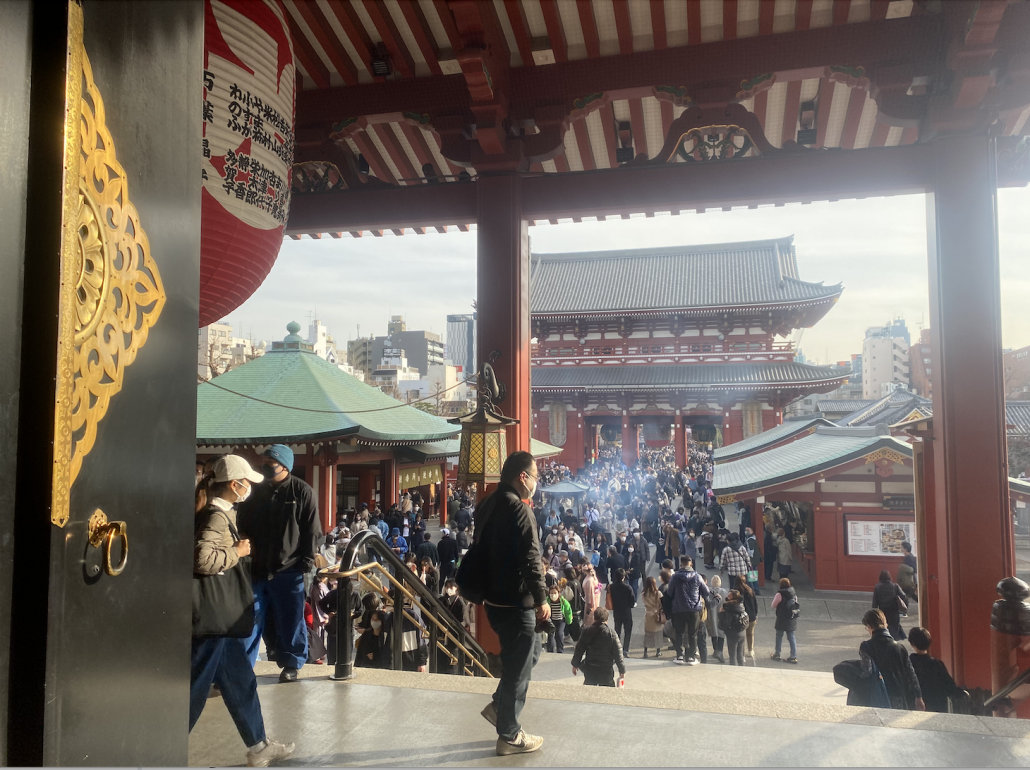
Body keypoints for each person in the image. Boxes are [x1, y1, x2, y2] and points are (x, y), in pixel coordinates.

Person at [191, 455, 295, 767]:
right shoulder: (216, 517)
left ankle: (259, 744)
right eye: (246, 482)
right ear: (234, 485)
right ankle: (159, 747)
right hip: (215, 619)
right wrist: (236, 552)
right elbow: (202, 559)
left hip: (220, 620)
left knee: (240, 682)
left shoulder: (214, 511)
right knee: (193, 690)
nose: (249, 487)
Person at [472, 452, 548, 756]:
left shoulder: (487, 504)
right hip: (517, 601)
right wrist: (541, 598)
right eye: (535, 476)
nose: (536, 482)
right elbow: (531, 559)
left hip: (493, 598)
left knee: (532, 651)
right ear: (522, 477)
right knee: (518, 668)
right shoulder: (519, 509)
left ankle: (498, 706)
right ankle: (510, 734)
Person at [237, 444, 322, 683]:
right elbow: (243, 523)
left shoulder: (302, 492)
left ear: (284, 465)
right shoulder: (255, 492)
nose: (264, 467)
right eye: (262, 462)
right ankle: (243, 666)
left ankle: (291, 663)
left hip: (290, 570)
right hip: (257, 568)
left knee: (292, 619)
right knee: (251, 618)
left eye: (269, 463)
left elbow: (311, 531)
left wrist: (305, 564)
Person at [860, 610, 924, 710]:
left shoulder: (866, 647)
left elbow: (866, 672)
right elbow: (911, 673)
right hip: (898, 696)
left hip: (877, 696)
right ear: (885, 624)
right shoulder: (900, 648)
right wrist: (918, 696)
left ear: (869, 626)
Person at [907, 627, 966, 712]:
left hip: (915, 707)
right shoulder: (937, 664)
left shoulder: (909, 664)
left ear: (912, 644)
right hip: (937, 706)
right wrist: (961, 693)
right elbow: (949, 686)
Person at [668, 555, 710, 665]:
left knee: (679, 633)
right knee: (693, 634)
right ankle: (691, 657)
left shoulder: (675, 577)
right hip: (694, 609)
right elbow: (706, 592)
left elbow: (669, 592)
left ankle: (679, 656)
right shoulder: (697, 576)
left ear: (681, 564)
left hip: (678, 608)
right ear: (691, 564)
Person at [571, 608, 626, 687]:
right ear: (607, 619)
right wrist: (622, 670)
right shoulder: (611, 634)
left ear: (594, 618)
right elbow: (618, 653)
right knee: (607, 692)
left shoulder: (587, 631)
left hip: (590, 667)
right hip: (606, 669)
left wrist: (575, 664)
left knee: (589, 690)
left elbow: (579, 649)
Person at [872, 569, 908, 641]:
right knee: (894, 628)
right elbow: (904, 596)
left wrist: (875, 613)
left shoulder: (877, 587)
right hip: (893, 611)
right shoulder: (895, 586)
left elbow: (875, 602)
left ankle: (886, 641)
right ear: (889, 577)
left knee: (884, 627)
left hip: (883, 611)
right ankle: (894, 641)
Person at [770, 577, 799, 664]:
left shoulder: (779, 594)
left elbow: (773, 605)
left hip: (782, 617)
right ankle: (793, 656)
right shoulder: (793, 593)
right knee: (791, 637)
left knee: (779, 636)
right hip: (791, 617)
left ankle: (777, 654)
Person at [718, 589, 749, 666]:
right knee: (740, 654)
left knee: (732, 656)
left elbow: (725, 624)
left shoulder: (729, 608)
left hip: (733, 634)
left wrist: (721, 614)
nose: (727, 597)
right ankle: (742, 670)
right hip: (742, 632)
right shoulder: (741, 605)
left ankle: (733, 671)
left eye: (729, 596)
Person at [608, 568, 635, 656]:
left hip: (616, 611)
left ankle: (617, 648)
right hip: (626, 611)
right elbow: (632, 601)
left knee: (617, 630)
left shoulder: (611, 586)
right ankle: (625, 649)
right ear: (624, 577)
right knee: (628, 631)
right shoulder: (628, 587)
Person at [736, 576, 759, 659]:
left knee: (741, 636)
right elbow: (755, 603)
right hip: (751, 615)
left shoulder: (737, 592)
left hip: (741, 617)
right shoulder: (750, 590)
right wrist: (755, 614)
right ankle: (750, 650)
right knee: (750, 634)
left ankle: (741, 653)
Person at [705, 574, 727, 664]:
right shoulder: (725, 592)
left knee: (713, 632)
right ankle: (720, 651)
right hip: (722, 616)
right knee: (721, 633)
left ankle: (715, 650)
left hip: (711, 615)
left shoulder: (708, 592)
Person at [641, 576, 664, 659]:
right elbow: (662, 604)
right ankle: (658, 651)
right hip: (656, 615)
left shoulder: (643, 594)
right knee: (658, 633)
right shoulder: (658, 593)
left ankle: (645, 652)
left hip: (648, 615)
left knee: (647, 634)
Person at [545, 585, 572, 653]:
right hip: (551, 620)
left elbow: (568, 611)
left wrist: (569, 620)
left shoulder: (563, 601)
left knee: (559, 634)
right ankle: (550, 650)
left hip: (560, 621)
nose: (553, 595)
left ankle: (560, 650)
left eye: (555, 593)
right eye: (551, 593)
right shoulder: (547, 600)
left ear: (558, 593)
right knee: (550, 634)